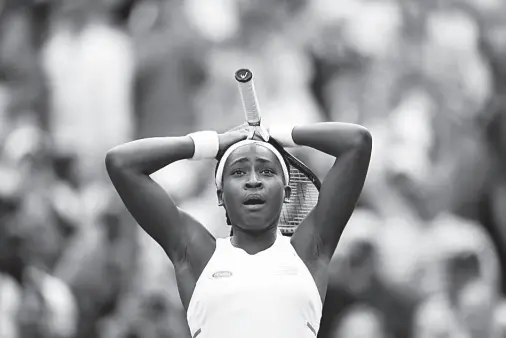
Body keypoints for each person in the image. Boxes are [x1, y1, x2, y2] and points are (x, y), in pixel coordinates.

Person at [105, 120, 372, 338]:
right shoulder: (197, 254)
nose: (253, 181)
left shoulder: (309, 251)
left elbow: (357, 143)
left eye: (267, 172)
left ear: (287, 192)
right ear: (220, 195)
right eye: (238, 172)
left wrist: (273, 134)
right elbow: (121, 163)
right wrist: (213, 143)